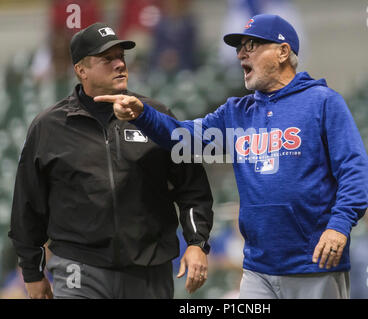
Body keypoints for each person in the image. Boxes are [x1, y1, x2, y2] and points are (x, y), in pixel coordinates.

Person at [96, 14, 368, 299]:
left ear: (283, 52)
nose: (241, 54)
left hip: (314, 263)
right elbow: (184, 139)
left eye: (251, 45)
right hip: (257, 268)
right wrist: (143, 115)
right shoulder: (237, 112)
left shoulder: (322, 102)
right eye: (239, 47)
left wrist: (339, 225)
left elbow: (353, 169)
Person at [8, 22, 214, 299]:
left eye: (121, 56)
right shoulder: (49, 127)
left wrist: (197, 243)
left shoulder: (155, 116)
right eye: (107, 59)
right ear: (81, 70)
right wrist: (32, 272)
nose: (119, 64)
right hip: (78, 268)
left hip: (149, 268)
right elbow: (27, 205)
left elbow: (192, 187)